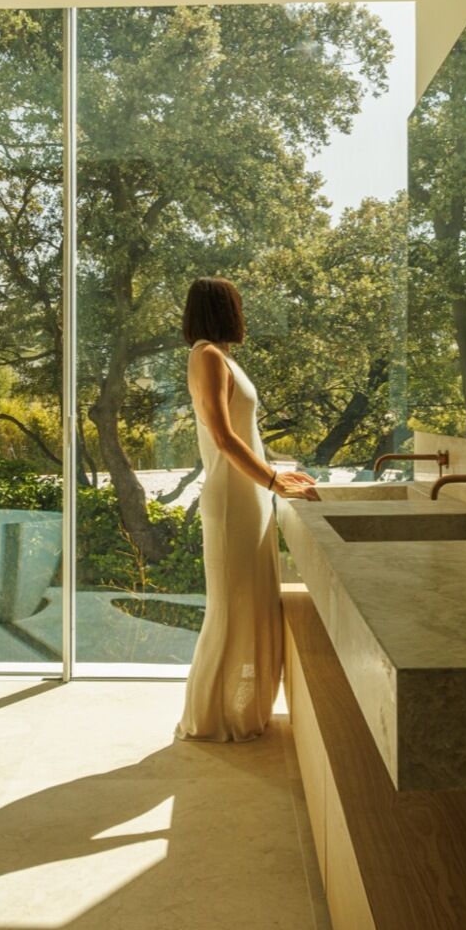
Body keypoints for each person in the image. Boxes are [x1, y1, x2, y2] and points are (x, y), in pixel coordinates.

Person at [177, 277, 318, 742]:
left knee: (250, 606)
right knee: (232, 608)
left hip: (248, 497)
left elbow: (244, 434)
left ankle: (242, 710)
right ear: (224, 310)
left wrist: (281, 473)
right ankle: (214, 717)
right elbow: (222, 437)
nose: (245, 315)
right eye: (239, 306)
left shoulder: (218, 356)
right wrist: (274, 480)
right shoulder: (209, 357)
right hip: (232, 500)